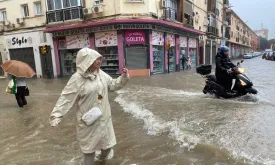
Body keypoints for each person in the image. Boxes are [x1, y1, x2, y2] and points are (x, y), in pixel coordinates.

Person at [49, 48, 129, 165]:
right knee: (89, 151)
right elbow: (66, 98)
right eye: (95, 59)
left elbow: (113, 85)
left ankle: (101, 161)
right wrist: (57, 114)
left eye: (99, 58)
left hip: (104, 118)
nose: (99, 61)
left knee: (107, 146)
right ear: (87, 61)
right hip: (88, 121)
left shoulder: (101, 74)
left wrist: (124, 77)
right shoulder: (77, 79)